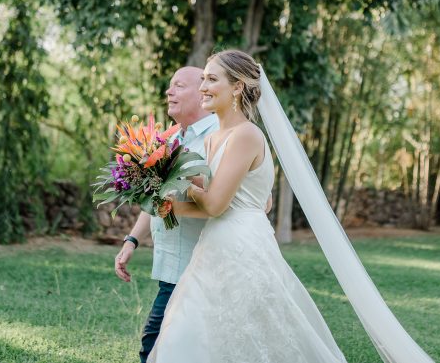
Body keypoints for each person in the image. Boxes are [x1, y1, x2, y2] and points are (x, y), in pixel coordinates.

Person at [148, 50, 347, 363]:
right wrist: (171, 205)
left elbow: (215, 204)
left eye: (211, 79)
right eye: (202, 79)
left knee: (244, 335)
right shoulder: (215, 139)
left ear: (237, 87)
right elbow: (230, 203)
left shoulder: (247, 135)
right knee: (190, 332)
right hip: (214, 244)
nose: (203, 87)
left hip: (241, 247)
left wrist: (186, 185)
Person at [114, 66, 218, 363]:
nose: (168, 92)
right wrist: (132, 240)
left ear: (202, 94)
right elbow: (156, 200)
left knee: (154, 349)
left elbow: (221, 204)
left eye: (178, 86)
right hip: (171, 268)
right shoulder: (170, 141)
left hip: (197, 270)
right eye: (169, 86)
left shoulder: (217, 138)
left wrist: (174, 205)